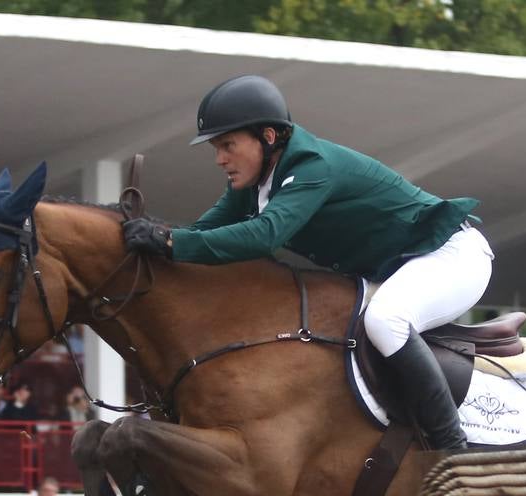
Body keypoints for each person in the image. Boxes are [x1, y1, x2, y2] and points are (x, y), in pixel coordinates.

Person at [122, 74, 491, 450]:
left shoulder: (311, 166)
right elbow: (201, 236)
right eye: (217, 148)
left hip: (451, 255)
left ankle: (451, 447)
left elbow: (264, 236)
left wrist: (168, 240)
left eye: (228, 145)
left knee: (385, 321)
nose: (220, 159)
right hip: (398, 270)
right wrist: (154, 239)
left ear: (267, 137)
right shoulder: (255, 183)